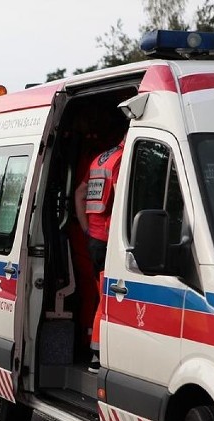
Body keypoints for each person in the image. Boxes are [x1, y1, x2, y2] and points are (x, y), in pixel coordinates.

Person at [74, 137, 125, 373]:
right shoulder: (122, 159)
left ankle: (97, 353)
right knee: (107, 301)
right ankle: (97, 356)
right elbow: (121, 199)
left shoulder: (100, 159)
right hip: (108, 241)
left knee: (100, 296)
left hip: (94, 239)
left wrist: (85, 228)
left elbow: (79, 192)